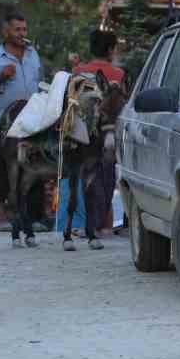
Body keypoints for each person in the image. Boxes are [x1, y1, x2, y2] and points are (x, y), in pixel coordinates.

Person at [0, 10, 42, 230]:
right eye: (17, 29)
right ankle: (1, 217)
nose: (22, 33)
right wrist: (0, 76)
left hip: (31, 122)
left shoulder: (33, 55)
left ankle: (31, 218)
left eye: (24, 29)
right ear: (6, 31)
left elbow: (39, 82)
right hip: (1, 122)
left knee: (33, 166)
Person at [71, 28, 126, 236]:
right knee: (107, 177)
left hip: (84, 136)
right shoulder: (119, 75)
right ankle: (103, 226)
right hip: (111, 133)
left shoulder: (79, 72)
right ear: (111, 50)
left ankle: (94, 225)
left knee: (89, 178)